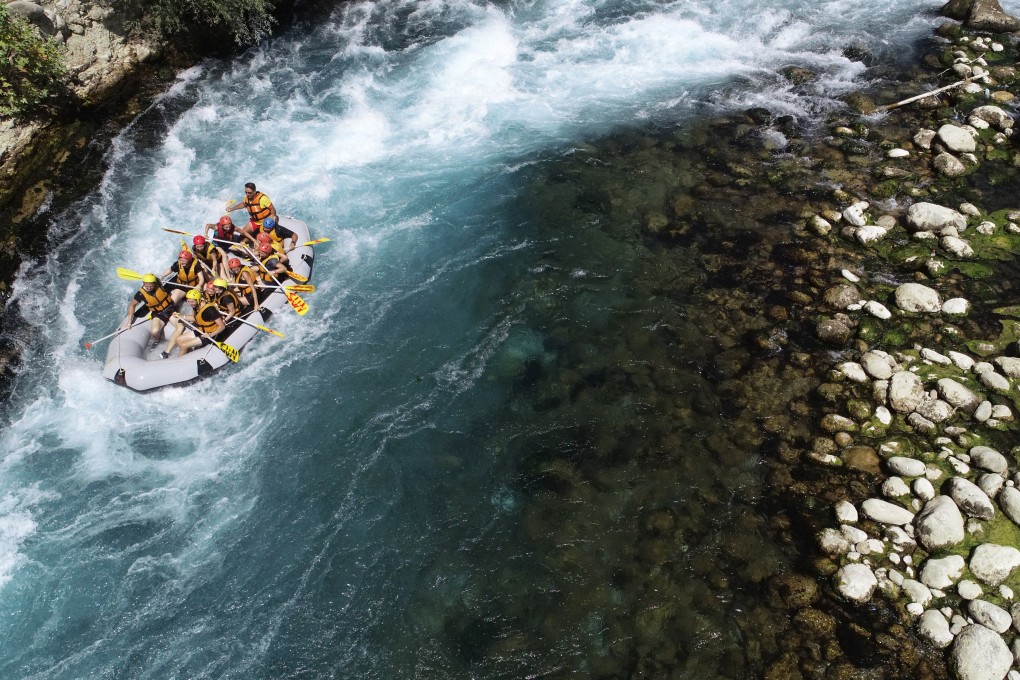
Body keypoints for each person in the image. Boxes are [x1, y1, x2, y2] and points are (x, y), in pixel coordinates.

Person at [124, 274, 175, 347]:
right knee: (154, 332)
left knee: (180, 326)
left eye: (151, 286)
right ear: (143, 283)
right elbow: (132, 305)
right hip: (158, 313)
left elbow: (157, 278)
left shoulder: (158, 283)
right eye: (146, 286)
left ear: (155, 284)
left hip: (170, 309)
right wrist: (129, 322)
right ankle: (158, 340)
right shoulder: (140, 294)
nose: (148, 288)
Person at [171, 288, 226, 356]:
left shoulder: (209, 310)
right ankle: (189, 354)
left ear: (198, 300)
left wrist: (210, 335)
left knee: (183, 345)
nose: (190, 304)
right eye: (188, 301)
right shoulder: (196, 306)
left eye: (192, 302)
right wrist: (181, 316)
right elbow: (195, 318)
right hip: (201, 331)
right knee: (178, 340)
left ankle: (180, 361)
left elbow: (222, 326)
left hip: (211, 334)